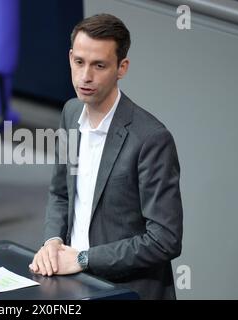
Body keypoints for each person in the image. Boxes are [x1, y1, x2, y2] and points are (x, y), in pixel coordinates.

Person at [29, 13, 183, 300]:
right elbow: (60, 193)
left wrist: (83, 259)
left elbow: (165, 240)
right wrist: (52, 241)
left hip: (127, 291)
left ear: (121, 67)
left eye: (99, 65)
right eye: (79, 63)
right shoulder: (70, 112)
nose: (86, 76)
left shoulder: (152, 139)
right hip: (73, 284)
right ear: (70, 58)